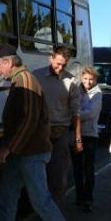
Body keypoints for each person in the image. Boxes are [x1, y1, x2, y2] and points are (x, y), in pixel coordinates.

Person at [0, 44, 80, 221]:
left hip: (29, 154)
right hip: (22, 154)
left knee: (41, 201)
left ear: (9, 62)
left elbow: (28, 121)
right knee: (7, 198)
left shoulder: (25, 81)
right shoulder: (22, 80)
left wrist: (7, 148)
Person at [32, 46, 82, 211]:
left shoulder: (71, 81)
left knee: (59, 177)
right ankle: (42, 212)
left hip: (60, 133)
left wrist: (77, 138)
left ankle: (57, 213)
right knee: (39, 176)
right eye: (58, 64)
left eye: (64, 65)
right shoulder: (36, 76)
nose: (60, 68)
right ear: (51, 59)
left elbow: (76, 113)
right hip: (39, 133)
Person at [72, 66, 102, 213]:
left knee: (88, 169)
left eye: (91, 79)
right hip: (76, 134)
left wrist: (75, 114)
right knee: (77, 168)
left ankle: (88, 199)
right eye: (85, 79)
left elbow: (90, 113)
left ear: (95, 80)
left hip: (90, 135)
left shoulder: (97, 94)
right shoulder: (76, 90)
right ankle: (79, 196)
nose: (88, 82)